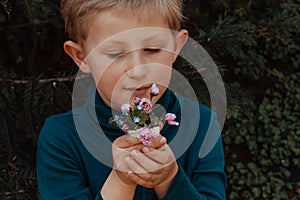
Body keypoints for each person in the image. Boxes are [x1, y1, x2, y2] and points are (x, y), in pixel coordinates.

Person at [36, 0, 227, 199]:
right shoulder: (61, 138)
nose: (138, 70)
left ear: (176, 46)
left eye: (152, 49)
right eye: (116, 53)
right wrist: (123, 179)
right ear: (81, 57)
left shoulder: (201, 124)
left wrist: (168, 178)